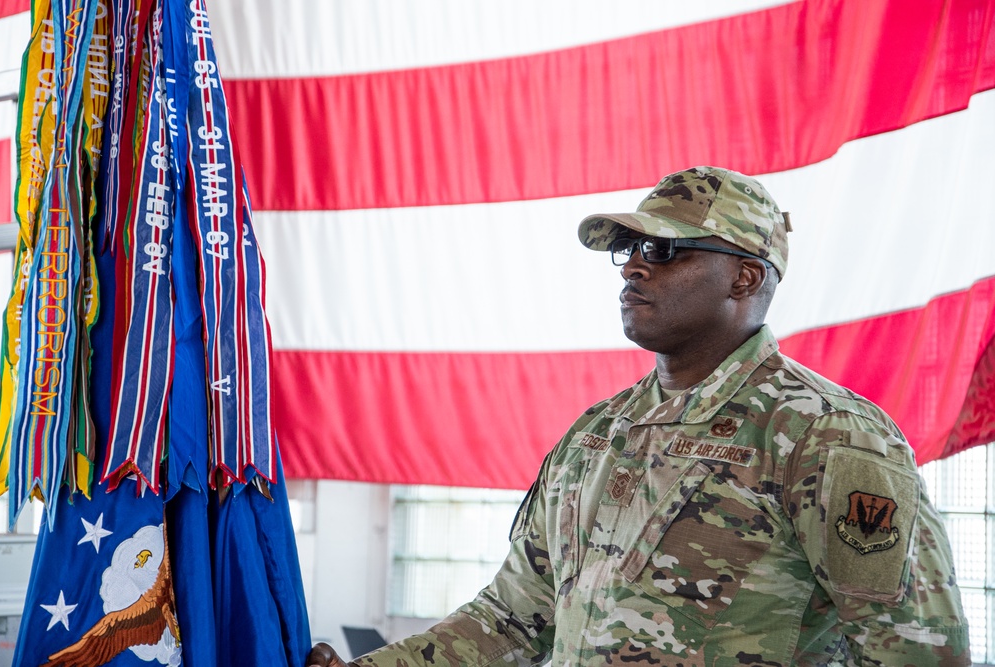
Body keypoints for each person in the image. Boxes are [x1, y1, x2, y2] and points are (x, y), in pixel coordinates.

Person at [307, 166, 971, 666]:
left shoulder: (824, 435)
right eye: (629, 252)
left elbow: (913, 647)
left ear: (744, 276)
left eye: (663, 251)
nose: (632, 271)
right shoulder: (596, 436)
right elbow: (512, 618)